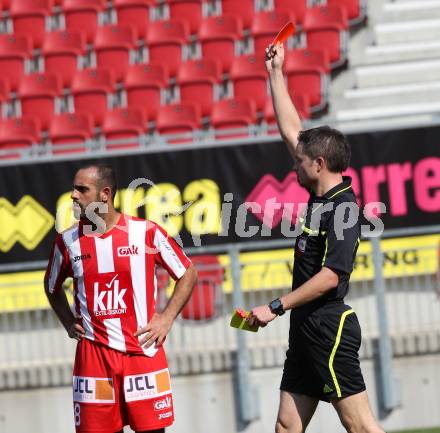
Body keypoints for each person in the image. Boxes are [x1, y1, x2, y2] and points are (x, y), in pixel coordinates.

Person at [246, 43, 385, 433]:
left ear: (319, 164)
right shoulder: (321, 193)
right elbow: (294, 132)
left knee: (360, 427)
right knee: (287, 427)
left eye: (299, 161)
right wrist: (276, 74)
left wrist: (276, 306)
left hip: (328, 327)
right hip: (306, 328)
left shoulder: (343, 208)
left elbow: (331, 275)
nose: (294, 165)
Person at [44, 164, 197, 433]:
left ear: (104, 194)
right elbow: (51, 287)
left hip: (142, 351)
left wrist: (167, 318)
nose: (73, 196)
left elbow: (188, 273)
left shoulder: (146, 232)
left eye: (82, 189)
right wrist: (68, 322)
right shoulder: (66, 241)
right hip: (94, 358)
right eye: (73, 189)